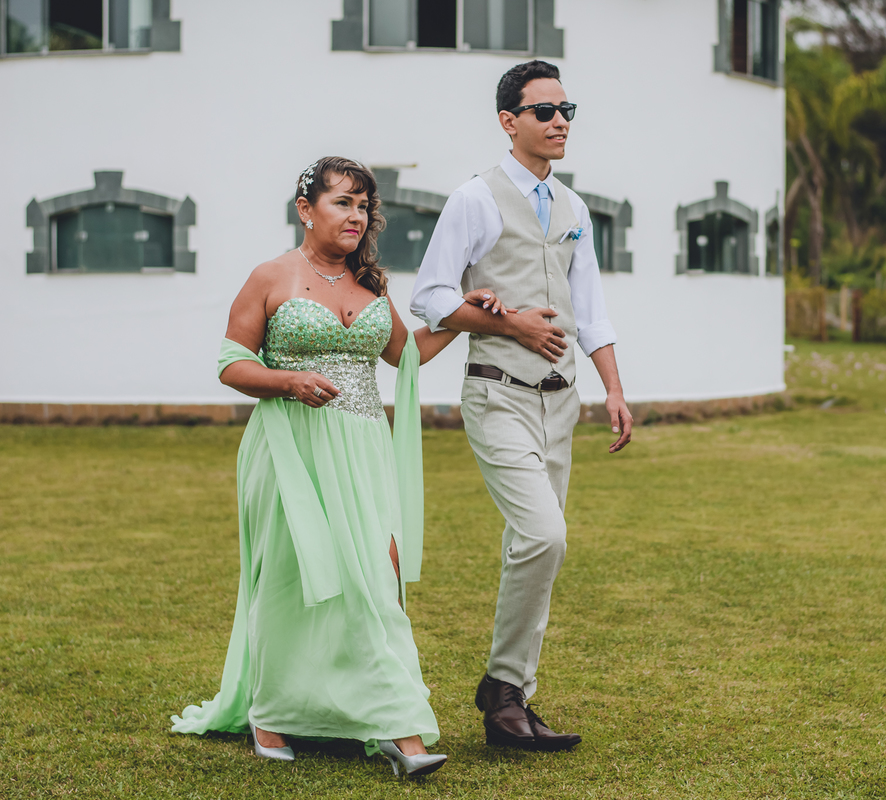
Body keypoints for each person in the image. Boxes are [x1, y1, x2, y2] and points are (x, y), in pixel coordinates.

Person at [171, 157, 511, 779]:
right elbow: (229, 361)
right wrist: (286, 380)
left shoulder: (372, 285)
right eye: (342, 203)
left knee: (377, 578)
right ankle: (270, 714)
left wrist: (466, 314)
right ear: (307, 209)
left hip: (362, 447)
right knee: (292, 574)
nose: (356, 216)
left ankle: (396, 728)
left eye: (363, 206)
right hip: (288, 444)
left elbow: (408, 356)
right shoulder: (270, 276)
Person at [410, 60, 634, 751]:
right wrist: (507, 324)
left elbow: (588, 308)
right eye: (544, 111)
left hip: (561, 402)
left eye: (567, 108)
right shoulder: (473, 199)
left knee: (531, 548)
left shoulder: (575, 209)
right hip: (496, 393)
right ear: (509, 122)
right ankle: (504, 692)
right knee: (545, 535)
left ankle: (511, 703)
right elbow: (431, 296)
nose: (560, 120)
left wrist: (615, 388)